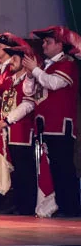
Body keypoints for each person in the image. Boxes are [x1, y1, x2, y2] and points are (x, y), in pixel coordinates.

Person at [28, 26, 81, 217]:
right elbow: (30, 91)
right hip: (46, 124)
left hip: (60, 125)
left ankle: (71, 208)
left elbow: (54, 83)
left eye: (48, 42)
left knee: (64, 167)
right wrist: (31, 73)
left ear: (60, 45)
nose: (44, 45)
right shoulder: (44, 66)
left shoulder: (68, 63)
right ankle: (61, 206)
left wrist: (35, 70)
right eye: (43, 42)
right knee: (54, 169)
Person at [0, 37, 38, 216]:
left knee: (24, 169)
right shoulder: (10, 79)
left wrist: (7, 120)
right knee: (14, 170)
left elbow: (28, 104)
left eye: (15, 58)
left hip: (22, 131)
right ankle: (17, 203)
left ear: (24, 61)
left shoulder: (28, 79)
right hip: (8, 131)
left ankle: (27, 206)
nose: (11, 61)